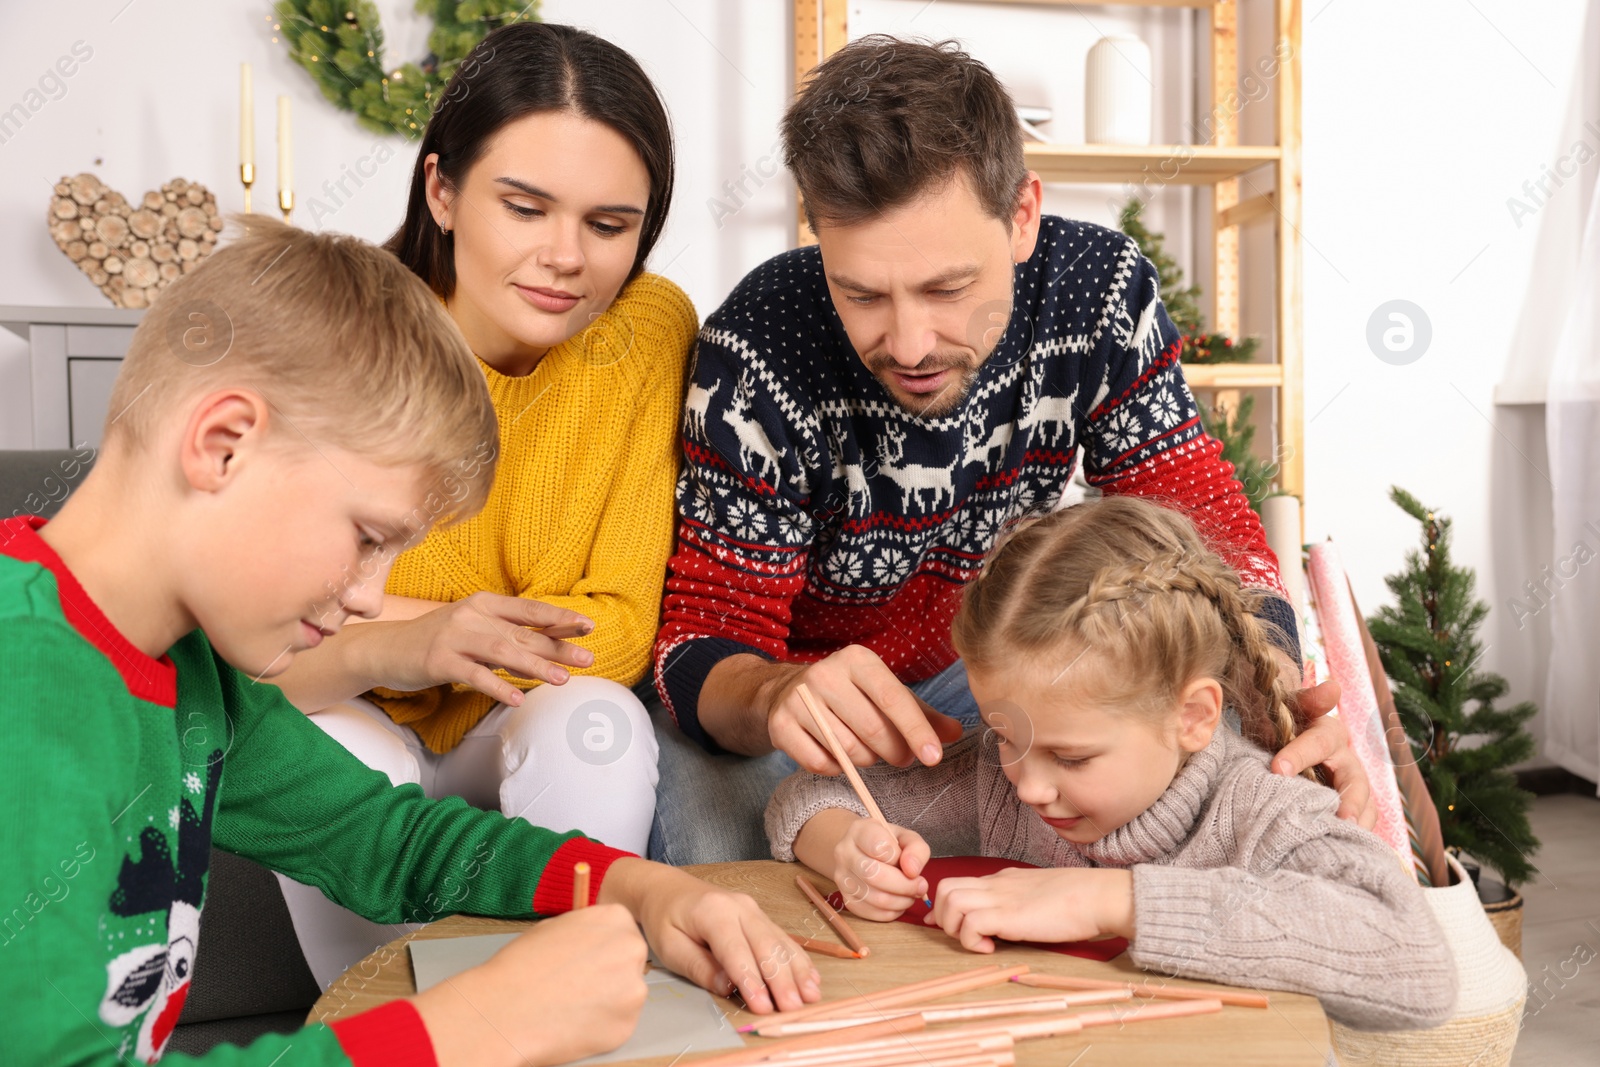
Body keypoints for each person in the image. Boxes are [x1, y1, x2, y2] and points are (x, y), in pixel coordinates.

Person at [0, 217, 817, 1067]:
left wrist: (639, 886)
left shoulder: (187, 668)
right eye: (366, 536)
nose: (369, 596)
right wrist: (466, 1032)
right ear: (225, 444)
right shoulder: (24, 679)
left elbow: (385, 839)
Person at [648, 35, 1372, 866]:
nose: (911, 342)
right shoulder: (759, 346)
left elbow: (1200, 515)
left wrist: (1273, 682)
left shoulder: (1097, 293)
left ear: (1022, 215)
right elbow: (699, 641)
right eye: (862, 294)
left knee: (1229, 728)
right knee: (722, 853)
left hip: (988, 676)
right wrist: (777, 691)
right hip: (799, 701)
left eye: (948, 289)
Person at [270, 23, 695, 986]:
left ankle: (555, 1008)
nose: (564, 258)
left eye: (607, 224)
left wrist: (404, 619)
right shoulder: (341, 339)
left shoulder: (647, 332)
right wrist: (413, 639)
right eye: (525, 206)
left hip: (518, 722)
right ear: (443, 192)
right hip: (352, 709)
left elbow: (621, 633)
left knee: (599, 721)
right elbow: (263, 655)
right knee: (335, 744)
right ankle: (377, 1024)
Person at [765, 495, 1456, 1031]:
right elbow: (803, 798)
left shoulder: (1260, 803)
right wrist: (847, 849)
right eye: (1005, 735)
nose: (1028, 782)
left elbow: (1416, 963)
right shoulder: (999, 782)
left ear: (1192, 717)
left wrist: (1111, 901)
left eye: (1072, 755)